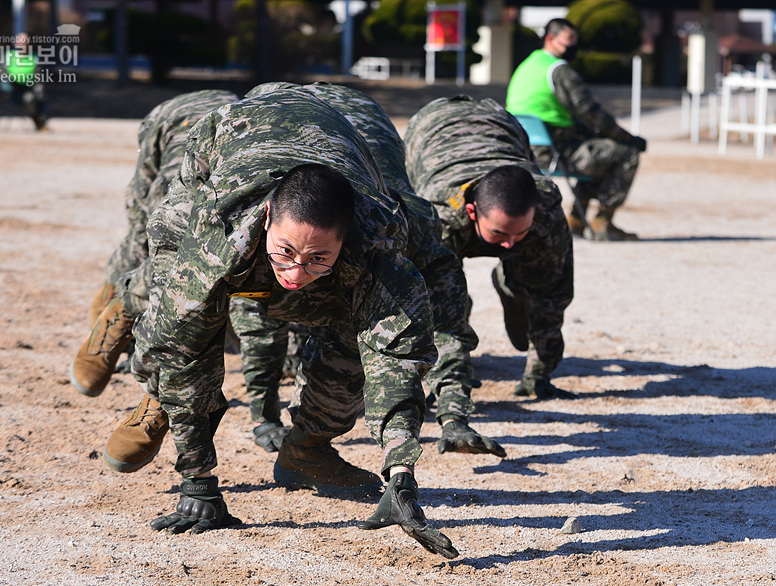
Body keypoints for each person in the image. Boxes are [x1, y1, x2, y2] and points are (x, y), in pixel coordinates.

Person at [116, 88, 458, 558]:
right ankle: (126, 318)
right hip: (223, 144)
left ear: (347, 238)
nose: (296, 273)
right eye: (286, 253)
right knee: (172, 311)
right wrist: (198, 481)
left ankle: (306, 450)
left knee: (352, 338)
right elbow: (185, 352)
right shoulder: (218, 229)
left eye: (319, 258)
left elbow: (396, 359)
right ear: (269, 218)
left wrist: (401, 473)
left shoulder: (380, 241)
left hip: (339, 143)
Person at [231, 81, 506, 459]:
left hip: (365, 119)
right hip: (279, 111)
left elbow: (446, 325)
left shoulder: (418, 236)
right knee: (275, 283)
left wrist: (454, 416)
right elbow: (254, 309)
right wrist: (265, 415)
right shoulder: (285, 210)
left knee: (338, 310)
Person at [70, 89, 239, 466]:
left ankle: (161, 389)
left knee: (223, 283)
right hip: (178, 134)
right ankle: (118, 313)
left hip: (239, 165)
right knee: (149, 233)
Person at [404, 95, 574, 400]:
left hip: (499, 122)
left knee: (539, 280)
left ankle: (511, 284)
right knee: (441, 293)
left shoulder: (546, 207)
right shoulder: (435, 216)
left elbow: (553, 291)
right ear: (472, 212)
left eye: (519, 232)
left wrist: (540, 372)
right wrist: (449, 385)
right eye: (499, 233)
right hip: (430, 127)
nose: (509, 244)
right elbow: (430, 305)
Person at [505, 17, 647, 241]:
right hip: (556, 153)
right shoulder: (559, 70)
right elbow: (590, 112)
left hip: (526, 151)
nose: (574, 45)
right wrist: (628, 138)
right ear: (551, 39)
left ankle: (577, 221)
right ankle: (603, 222)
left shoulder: (528, 65)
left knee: (598, 152)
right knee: (625, 153)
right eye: (570, 39)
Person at [2, 33, 49, 131]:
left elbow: (39, 74)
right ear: (15, 43)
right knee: (29, 98)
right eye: (19, 42)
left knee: (39, 96)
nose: (21, 45)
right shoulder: (8, 56)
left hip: (30, 87)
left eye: (24, 42)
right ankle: (39, 123)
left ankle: (41, 122)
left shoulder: (35, 57)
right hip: (13, 89)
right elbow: (0, 73)